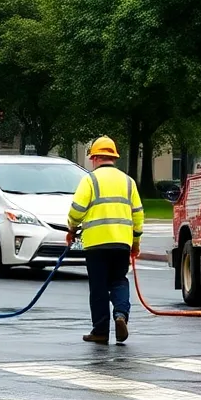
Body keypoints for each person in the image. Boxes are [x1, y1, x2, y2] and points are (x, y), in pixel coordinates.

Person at [66, 137, 145, 344]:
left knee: (99, 287)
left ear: (96, 158)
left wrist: (72, 228)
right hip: (121, 243)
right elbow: (138, 215)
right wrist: (135, 242)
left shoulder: (90, 180)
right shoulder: (128, 181)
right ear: (113, 157)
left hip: (96, 244)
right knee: (119, 280)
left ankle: (100, 331)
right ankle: (120, 315)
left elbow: (77, 210)